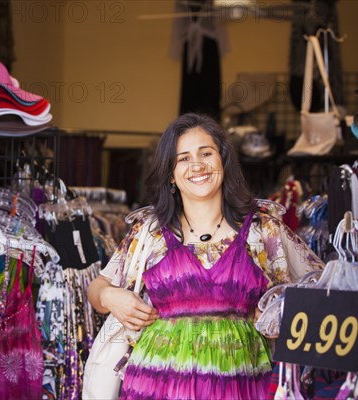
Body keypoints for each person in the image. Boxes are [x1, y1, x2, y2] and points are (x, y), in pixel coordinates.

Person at [86, 113, 324, 399]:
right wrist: (111, 297)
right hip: (155, 386)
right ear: (170, 173)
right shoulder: (150, 232)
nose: (197, 165)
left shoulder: (263, 230)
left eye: (206, 153)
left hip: (243, 385)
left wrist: (281, 310)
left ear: (223, 161)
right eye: (183, 158)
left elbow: (323, 287)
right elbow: (96, 288)